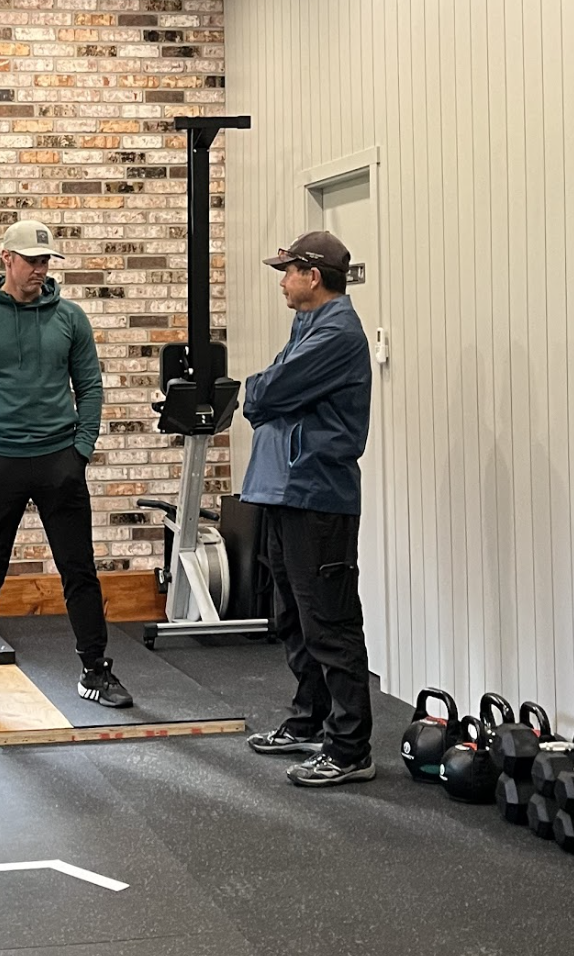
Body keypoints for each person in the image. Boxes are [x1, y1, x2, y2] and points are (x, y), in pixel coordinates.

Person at [0, 219, 132, 718]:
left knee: (78, 570)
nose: (40, 271)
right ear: (7, 260)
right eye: (32, 261)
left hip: (59, 462)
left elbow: (90, 389)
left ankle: (94, 670)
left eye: (46, 262)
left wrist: (80, 449)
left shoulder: (70, 319)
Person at [239, 230, 375, 787]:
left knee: (329, 620)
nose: (281, 280)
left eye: (287, 270)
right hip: (283, 490)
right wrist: (263, 390)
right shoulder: (306, 327)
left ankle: (349, 749)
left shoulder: (338, 333)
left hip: (317, 495)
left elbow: (264, 394)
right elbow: (268, 390)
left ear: (312, 276)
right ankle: (308, 721)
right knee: (293, 615)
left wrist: (259, 391)